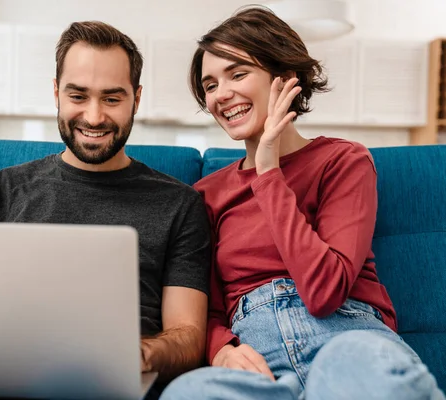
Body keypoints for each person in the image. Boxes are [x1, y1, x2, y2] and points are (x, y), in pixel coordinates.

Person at [0, 20, 210, 400]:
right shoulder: (3, 190)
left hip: (114, 385)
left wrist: (141, 353)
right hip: (6, 379)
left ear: (136, 99)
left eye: (112, 99)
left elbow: (188, 338)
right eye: (78, 96)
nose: (94, 118)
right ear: (56, 92)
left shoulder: (179, 203)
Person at [160, 6, 445, 400]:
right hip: (257, 357)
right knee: (188, 394)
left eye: (238, 74)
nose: (221, 94)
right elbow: (205, 308)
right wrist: (221, 349)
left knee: (371, 377)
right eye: (209, 85)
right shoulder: (205, 195)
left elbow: (325, 291)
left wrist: (267, 173)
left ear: (284, 78)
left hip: (347, 337)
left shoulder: (344, 161)